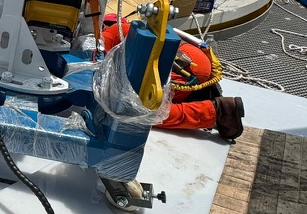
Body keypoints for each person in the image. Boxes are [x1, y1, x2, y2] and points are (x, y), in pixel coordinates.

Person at [101, 16, 244, 139]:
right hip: (191, 61)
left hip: (185, 67)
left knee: (137, 112)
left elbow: (99, 75)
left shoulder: (108, 36)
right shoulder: (128, 28)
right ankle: (196, 96)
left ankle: (218, 111)